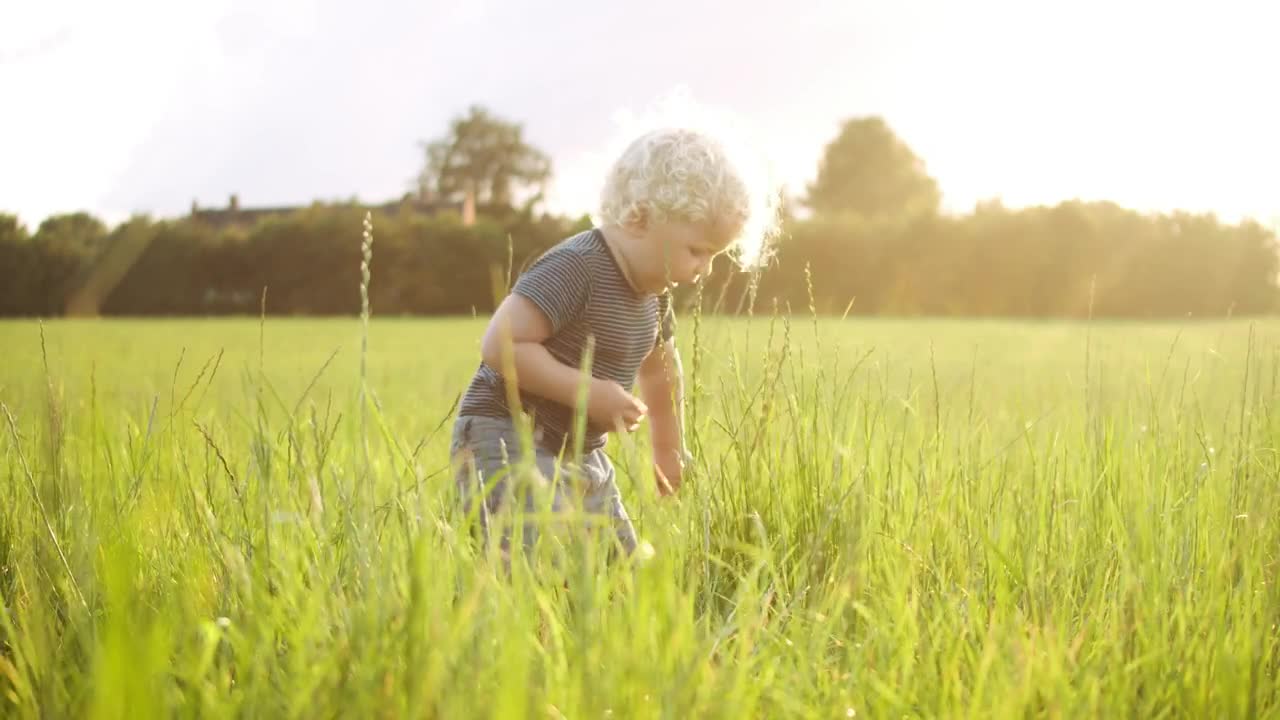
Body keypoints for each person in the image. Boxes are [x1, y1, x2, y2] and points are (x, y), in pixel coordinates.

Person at [449, 126, 771, 561]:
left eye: (715, 255)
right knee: (534, 565)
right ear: (639, 218)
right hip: (508, 433)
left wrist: (668, 449)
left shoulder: (654, 295)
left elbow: (661, 371)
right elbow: (502, 343)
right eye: (698, 250)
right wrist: (586, 391)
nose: (705, 269)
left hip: (581, 449)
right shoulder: (578, 266)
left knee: (618, 573)